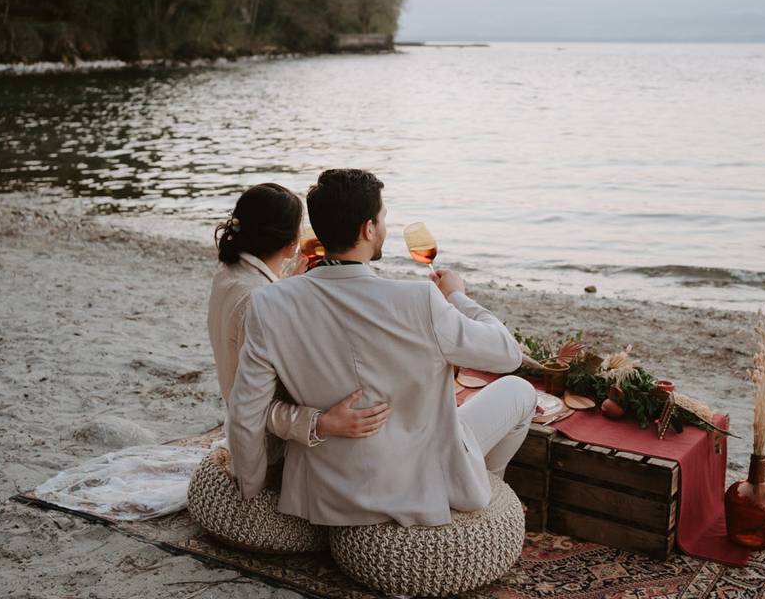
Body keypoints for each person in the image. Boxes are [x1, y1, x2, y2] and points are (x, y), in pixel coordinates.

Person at [228, 169, 536, 527]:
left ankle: (484, 483)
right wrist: (457, 297)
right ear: (368, 229)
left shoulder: (267, 303)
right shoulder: (419, 300)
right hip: (416, 490)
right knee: (519, 391)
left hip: (325, 495)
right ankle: (490, 487)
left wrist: (251, 491)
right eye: (383, 217)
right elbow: (507, 354)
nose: (384, 226)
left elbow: (246, 411)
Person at [207, 182, 390, 468]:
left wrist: (288, 284)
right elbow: (256, 406)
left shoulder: (229, 275)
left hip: (242, 426)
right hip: (268, 450)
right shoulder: (257, 299)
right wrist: (324, 423)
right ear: (293, 242)